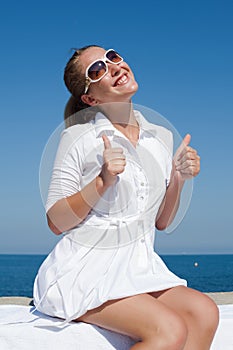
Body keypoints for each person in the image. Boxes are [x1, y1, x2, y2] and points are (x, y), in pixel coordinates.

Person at [33, 45, 219, 349]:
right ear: (90, 99)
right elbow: (56, 221)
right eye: (98, 70)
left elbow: (160, 221)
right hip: (85, 271)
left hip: (140, 268)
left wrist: (179, 179)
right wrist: (103, 181)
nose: (114, 67)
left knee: (204, 312)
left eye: (113, 57)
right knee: (169, 330)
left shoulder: (160, 137)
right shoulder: (76, 138)